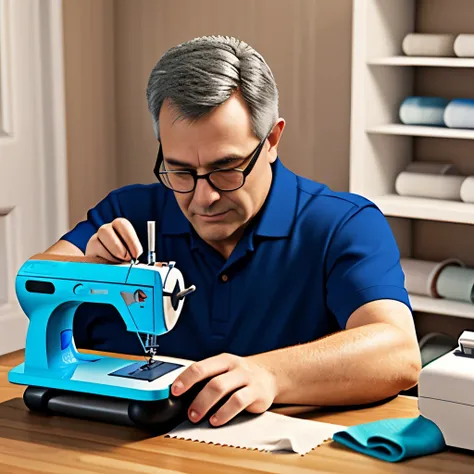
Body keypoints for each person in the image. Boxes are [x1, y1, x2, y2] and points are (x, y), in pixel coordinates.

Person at [46, 35, 421, 427]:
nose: (203, 197)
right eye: (181, 171)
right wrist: (87, 271)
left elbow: (398, 353)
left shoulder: (343, 225)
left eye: (226, 169)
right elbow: (34, 284)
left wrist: (271, 374)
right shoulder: (129, 211)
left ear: (272, 139)